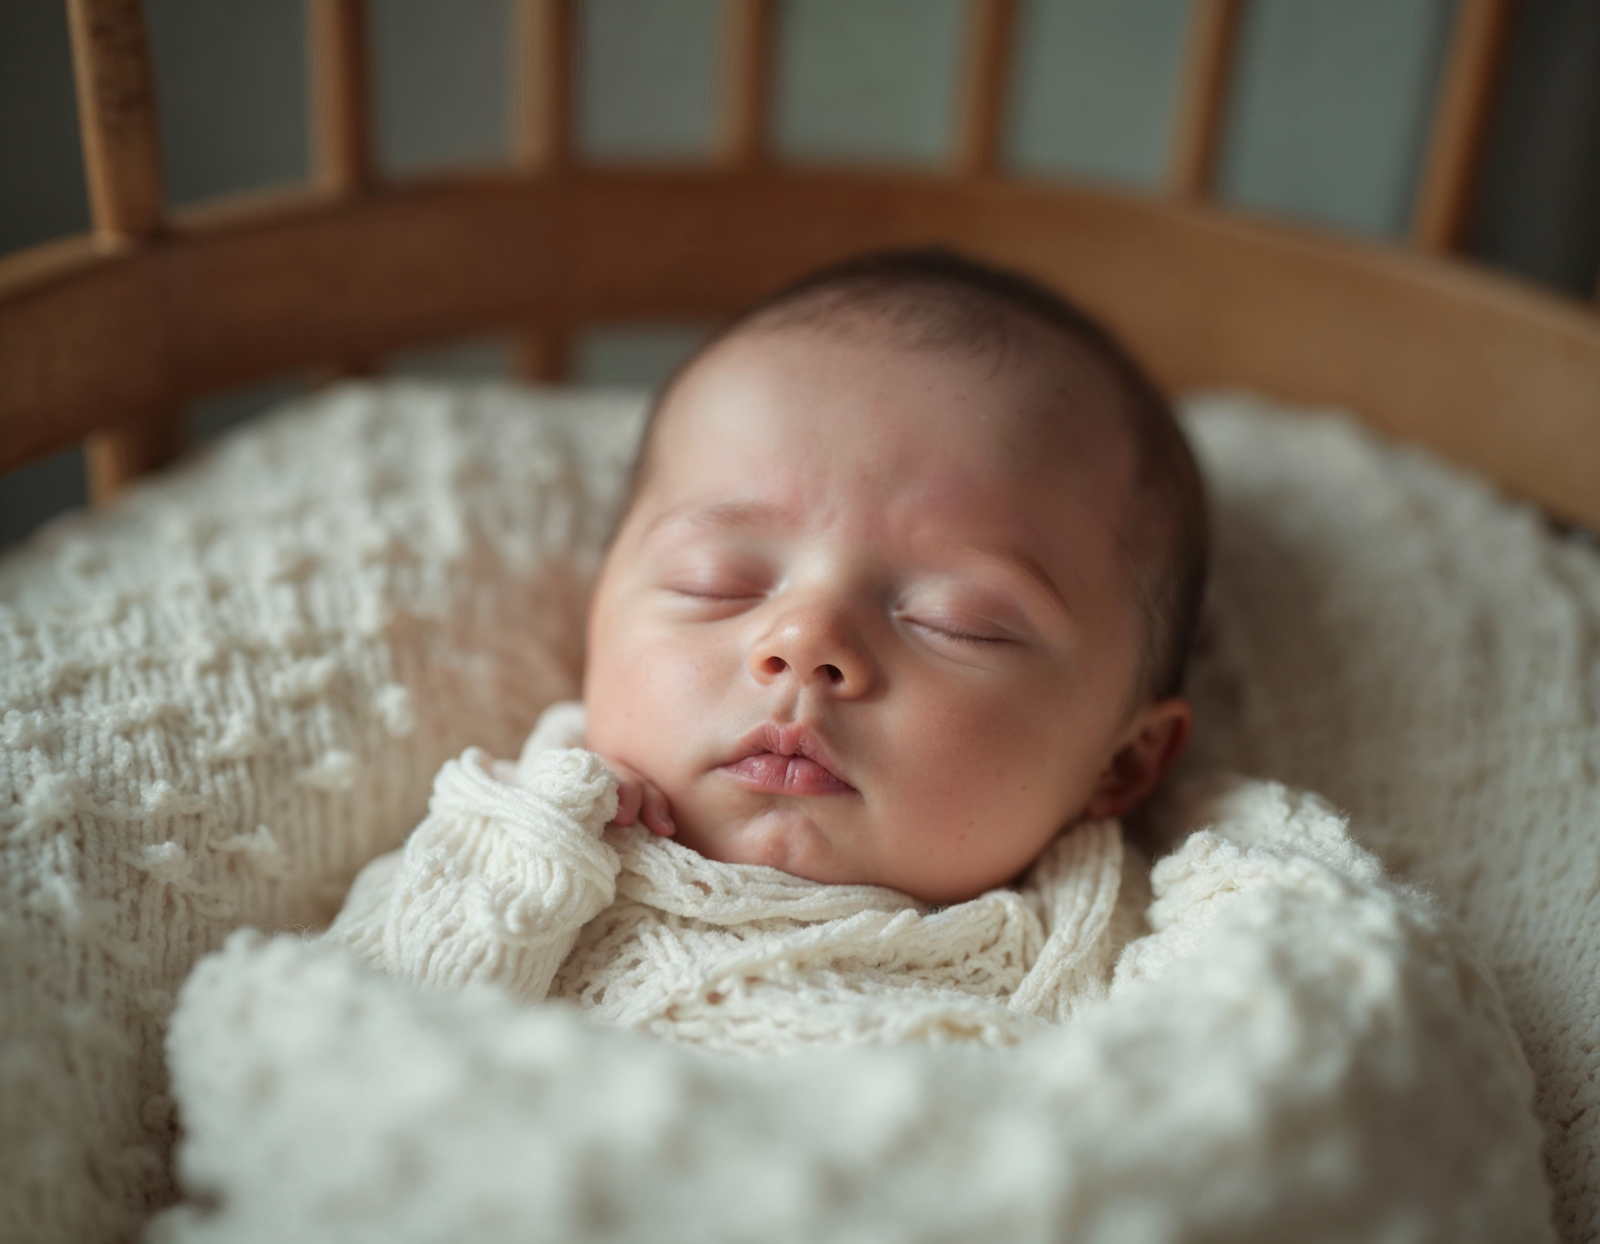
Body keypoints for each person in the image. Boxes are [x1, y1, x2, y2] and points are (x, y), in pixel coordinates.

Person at [325, 247, 1210, 1054]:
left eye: (955, 620)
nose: (805, 643)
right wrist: (529, 845)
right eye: (718, 583)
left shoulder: (1158, 952)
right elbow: (343, 1046)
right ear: (597, 618)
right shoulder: (515, 835)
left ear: (1122, 763)